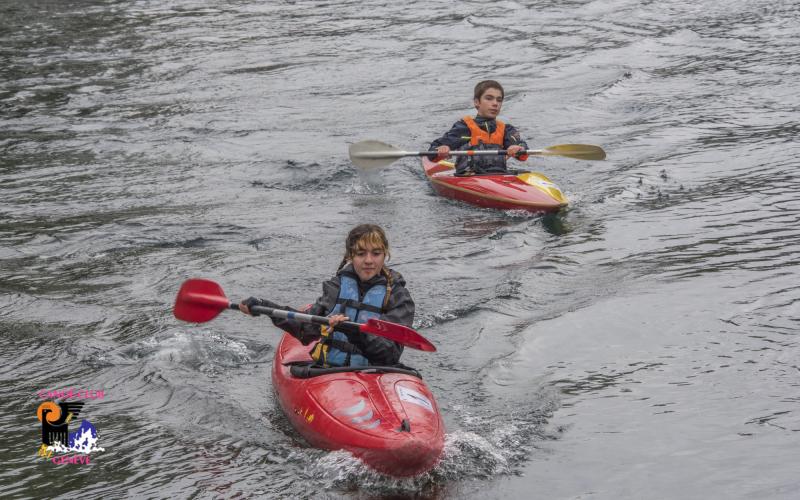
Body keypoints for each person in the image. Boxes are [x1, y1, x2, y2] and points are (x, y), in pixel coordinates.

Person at [239, 224, 414, 367]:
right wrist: (264, 306)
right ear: (350, 256)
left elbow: (389, 355)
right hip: (330, 373)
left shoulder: (398, 296)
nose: (369, 260)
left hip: (376, 373)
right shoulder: (336, 287)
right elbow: (306, 330)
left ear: (385, 255)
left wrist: (353, 331)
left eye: (376, 253)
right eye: (361, 254)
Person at [429, 80, 530, 176]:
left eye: (499, 100)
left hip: (499, 177)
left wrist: (519, 148)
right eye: (489, 98)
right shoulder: (464, 127)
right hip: (468, 177)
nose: (495, 103)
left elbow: (522, 149)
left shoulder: (506, 130)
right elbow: (432, 152)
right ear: (477, 102)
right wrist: (442, 149)